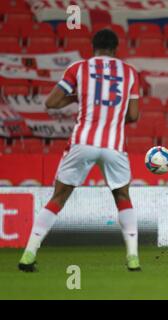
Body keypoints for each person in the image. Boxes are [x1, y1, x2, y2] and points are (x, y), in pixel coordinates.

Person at [18, 29, 141, 272]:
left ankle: (29, 254)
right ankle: (133, 257)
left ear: (93, 47)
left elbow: (51, 102)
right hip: (114, 145)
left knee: (59, 197)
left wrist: (78, 98)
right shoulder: (130, 72)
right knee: (123, 197)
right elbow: (134, 115)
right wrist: (112, 117)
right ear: (116, 49)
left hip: (82, 141)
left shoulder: (78, 68)